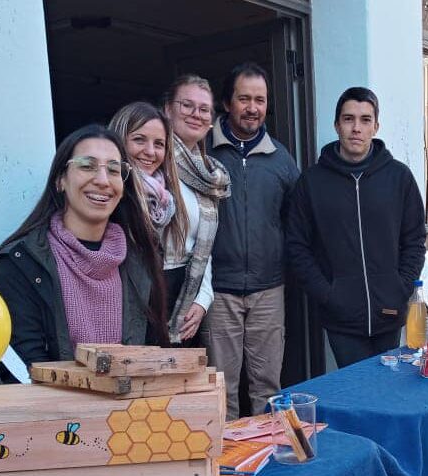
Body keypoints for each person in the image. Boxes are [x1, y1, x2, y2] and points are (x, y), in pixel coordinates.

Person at [0, 124, 169, 375]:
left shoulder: (141, 262)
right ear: (61, 180)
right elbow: (23, 370)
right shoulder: (21, 264)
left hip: (130, 413)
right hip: (53, 412)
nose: (103, 180)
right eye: (87, 166)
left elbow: (153, 356)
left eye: (114, 169)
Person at [285, 86, 426, 368]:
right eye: (348, 119)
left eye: (365, 120)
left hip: (389, 310)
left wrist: (399, 287)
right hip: (341, 316)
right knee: (355, 393)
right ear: (337, 125)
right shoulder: (312, 182)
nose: (356, 128)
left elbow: (414, 240)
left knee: (387, 388)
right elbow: (296, 246)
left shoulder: (399, 177)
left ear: (376, 126)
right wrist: (327, 294)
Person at [205, 63, 299, 418]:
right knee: (220, 388)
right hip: (219, 290)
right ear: (227, 103)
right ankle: (226, 465)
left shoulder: (281, 159)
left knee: (267, 386)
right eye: (244, 98)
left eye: (260, 100)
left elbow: (295, 223)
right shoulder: (203, 153)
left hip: (268, 290)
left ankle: (268, 460)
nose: (252, 107)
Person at [108, 101, 196, 340]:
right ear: (119, 141)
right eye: (139, 140)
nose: (150, 151)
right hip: (119, 326)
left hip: (154, 319)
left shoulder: (167, 198)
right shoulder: (109, 197)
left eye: (159, 144)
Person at [160, 75, 232, 345]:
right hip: (152, 290)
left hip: (188, 294)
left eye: (204, 109)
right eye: (186, 105)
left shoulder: (207, 174)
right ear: (167, 109)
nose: (196, 115)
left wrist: (202, 300)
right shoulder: (152, 163)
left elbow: (203, 246)